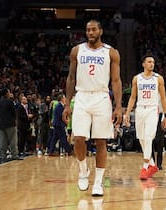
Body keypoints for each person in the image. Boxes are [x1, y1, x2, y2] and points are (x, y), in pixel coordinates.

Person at [63, 19, 122, 196]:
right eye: (88, 30)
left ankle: (98, 182)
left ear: (101, 31)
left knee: (101, 141)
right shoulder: (77, 50)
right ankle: (83, 171)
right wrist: (67, 104)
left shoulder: (111, 52)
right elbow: (71, 78)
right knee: (78, 138)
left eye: (94, 29)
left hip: (102, 96)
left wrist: (118, 106)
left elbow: (116, 81)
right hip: (81, 96)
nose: (90, 33)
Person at [124, 54, 166, 180]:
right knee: (141, 139)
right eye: (149, 62)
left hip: (152, 109)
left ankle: (144, 167)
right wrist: (127, 113)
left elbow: (164, 98)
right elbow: (132, 97)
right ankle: (153, 165)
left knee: (148, 138)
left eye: (153, 62)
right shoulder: (136, 78)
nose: (151, 64)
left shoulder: (158, 78)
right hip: (139, 109)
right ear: (143, 64)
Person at [0, 88, 22, 161]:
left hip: (1, 124)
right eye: (9, 92)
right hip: (10, 123)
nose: (10, 93)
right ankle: (14, 155)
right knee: (13, 140)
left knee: (3, 141)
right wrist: (16, 120)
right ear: (6, 94)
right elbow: (14, 113)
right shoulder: (10, 102)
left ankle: (3, 156)